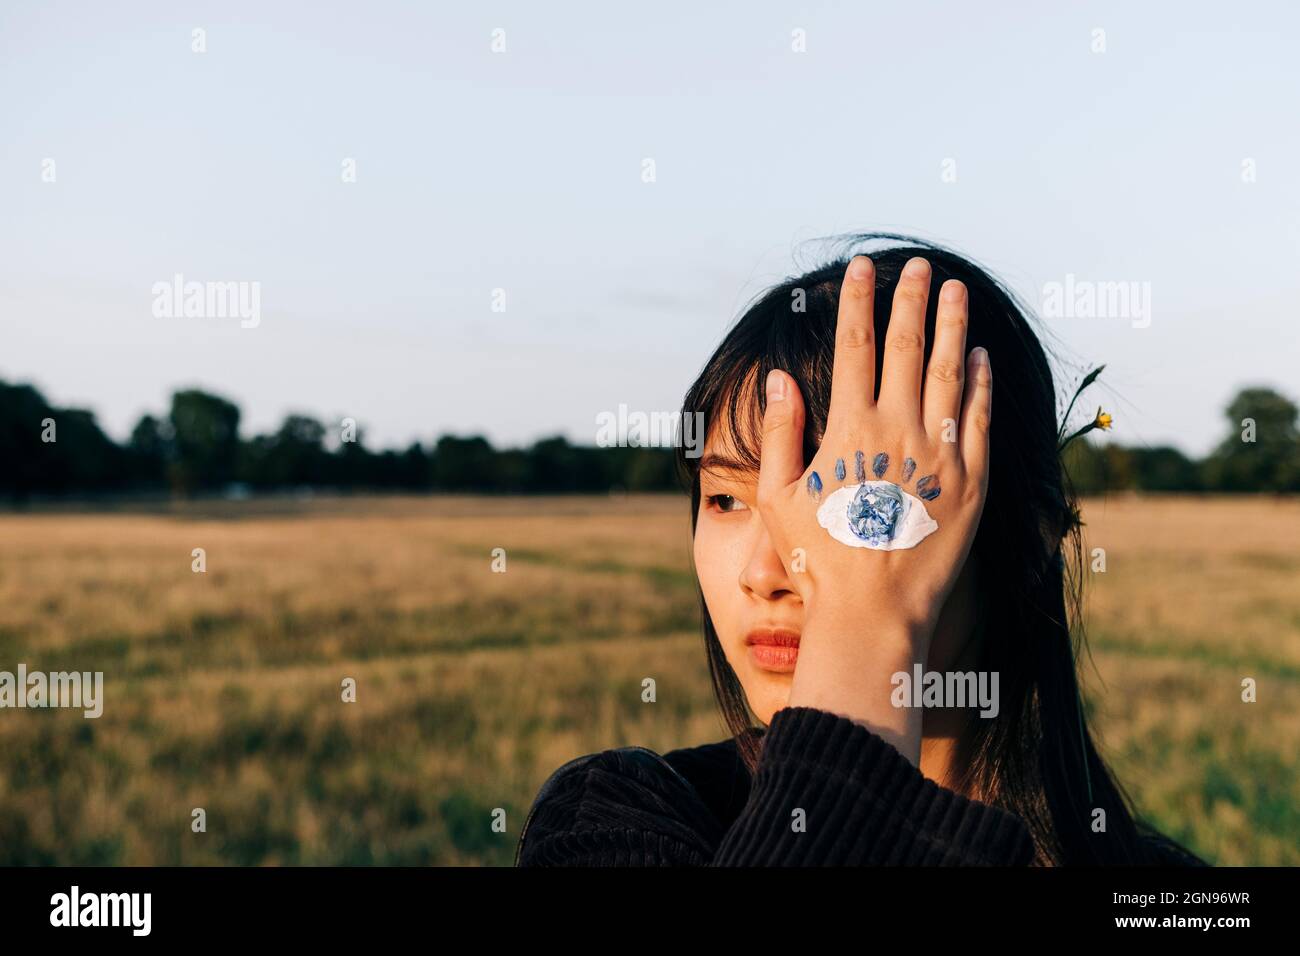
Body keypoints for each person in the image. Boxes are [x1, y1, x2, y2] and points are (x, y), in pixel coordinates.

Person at [517, 235, 1207, 866]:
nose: (765, 573)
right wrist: (869, 620)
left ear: (1028, 536)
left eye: (848, 504)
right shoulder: (616, 822)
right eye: (726, 500)